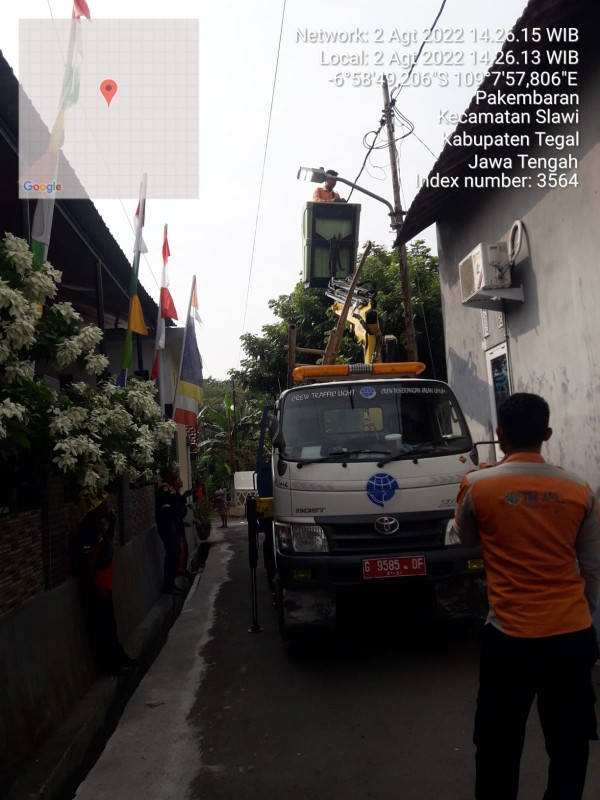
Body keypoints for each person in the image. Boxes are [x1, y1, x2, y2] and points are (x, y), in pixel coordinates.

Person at [453, 392, 600, 800]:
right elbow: (593, 566)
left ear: (500, 435)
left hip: (508, 640)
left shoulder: (477, 485)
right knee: (569, 746)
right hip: (570, 637)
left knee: (497, 746)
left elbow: (466, 540)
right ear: (547, 434)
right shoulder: (580, 489)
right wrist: (584, 617)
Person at [72, 489, 135, 675]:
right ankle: (109, 665)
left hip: (105, 584)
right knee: (101, 627)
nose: (108, 505)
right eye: (104, 503)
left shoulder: (98, 525)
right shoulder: (86, 530)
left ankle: (118, 656)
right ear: (96, 507)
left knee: (109, 624)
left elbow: (107, 542)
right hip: (95, 588)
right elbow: (88, 562)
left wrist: (112, 524)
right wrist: (98, 587)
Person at [155, 465, 183, 594]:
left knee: (175, 554)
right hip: (168, 529)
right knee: (171, 555)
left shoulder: (170, 488)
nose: (174, 473)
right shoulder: (164, 489)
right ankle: (168, 585)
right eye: (172, 472)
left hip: (173, 527)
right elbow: (165, 510)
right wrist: (171, 526)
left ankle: (171, 583)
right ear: (167, 475)